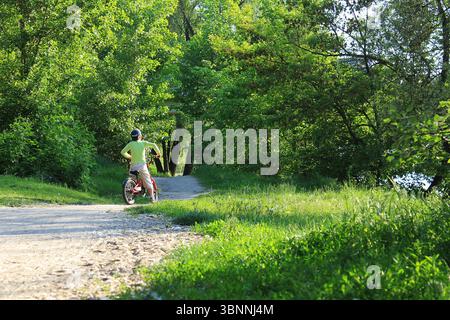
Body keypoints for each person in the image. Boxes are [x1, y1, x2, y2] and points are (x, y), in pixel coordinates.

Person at [121, 129, 161, 202]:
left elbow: (123, 152)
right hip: (142, 166)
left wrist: (129, 157)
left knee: (133, 180)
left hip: (133, 165)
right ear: (140, 136)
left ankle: (130, 194)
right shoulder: (143, 143)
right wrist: (158, 153)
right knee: (148, 181)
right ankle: (152, 198)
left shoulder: (130, 144)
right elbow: (154, 145)